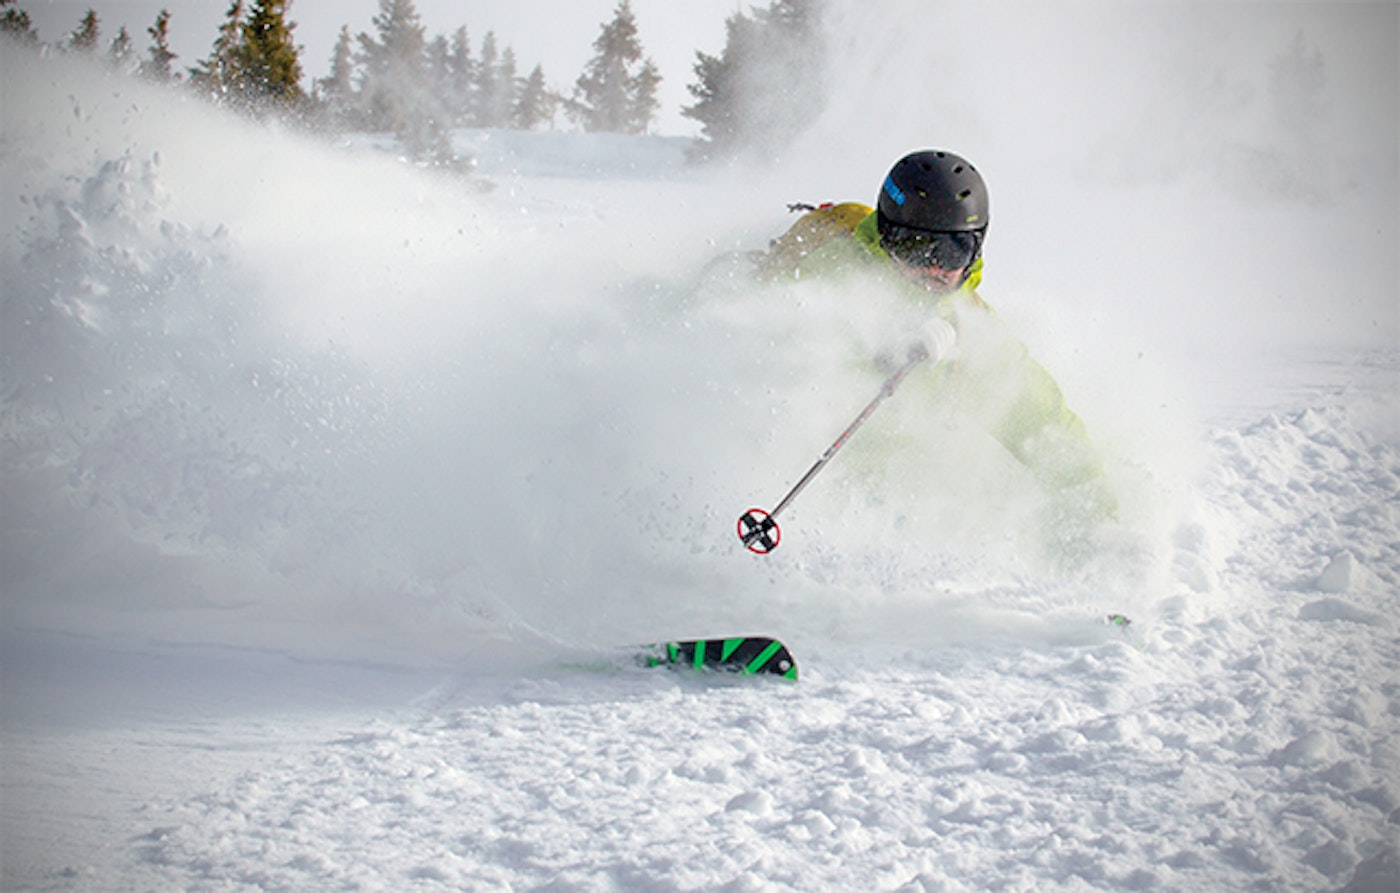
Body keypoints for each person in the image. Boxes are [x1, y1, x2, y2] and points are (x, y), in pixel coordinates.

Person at [754, 149, 1116, 564]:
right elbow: (785, 340)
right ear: (886, 237)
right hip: (781, 449)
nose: (932, 269)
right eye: (913, 248)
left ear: (976, 248)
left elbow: (1044, 423)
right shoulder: (839, 258)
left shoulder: (974, 331)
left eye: (952, 252)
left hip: (860, 497)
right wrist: (883, 346)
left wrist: (1100, 523)